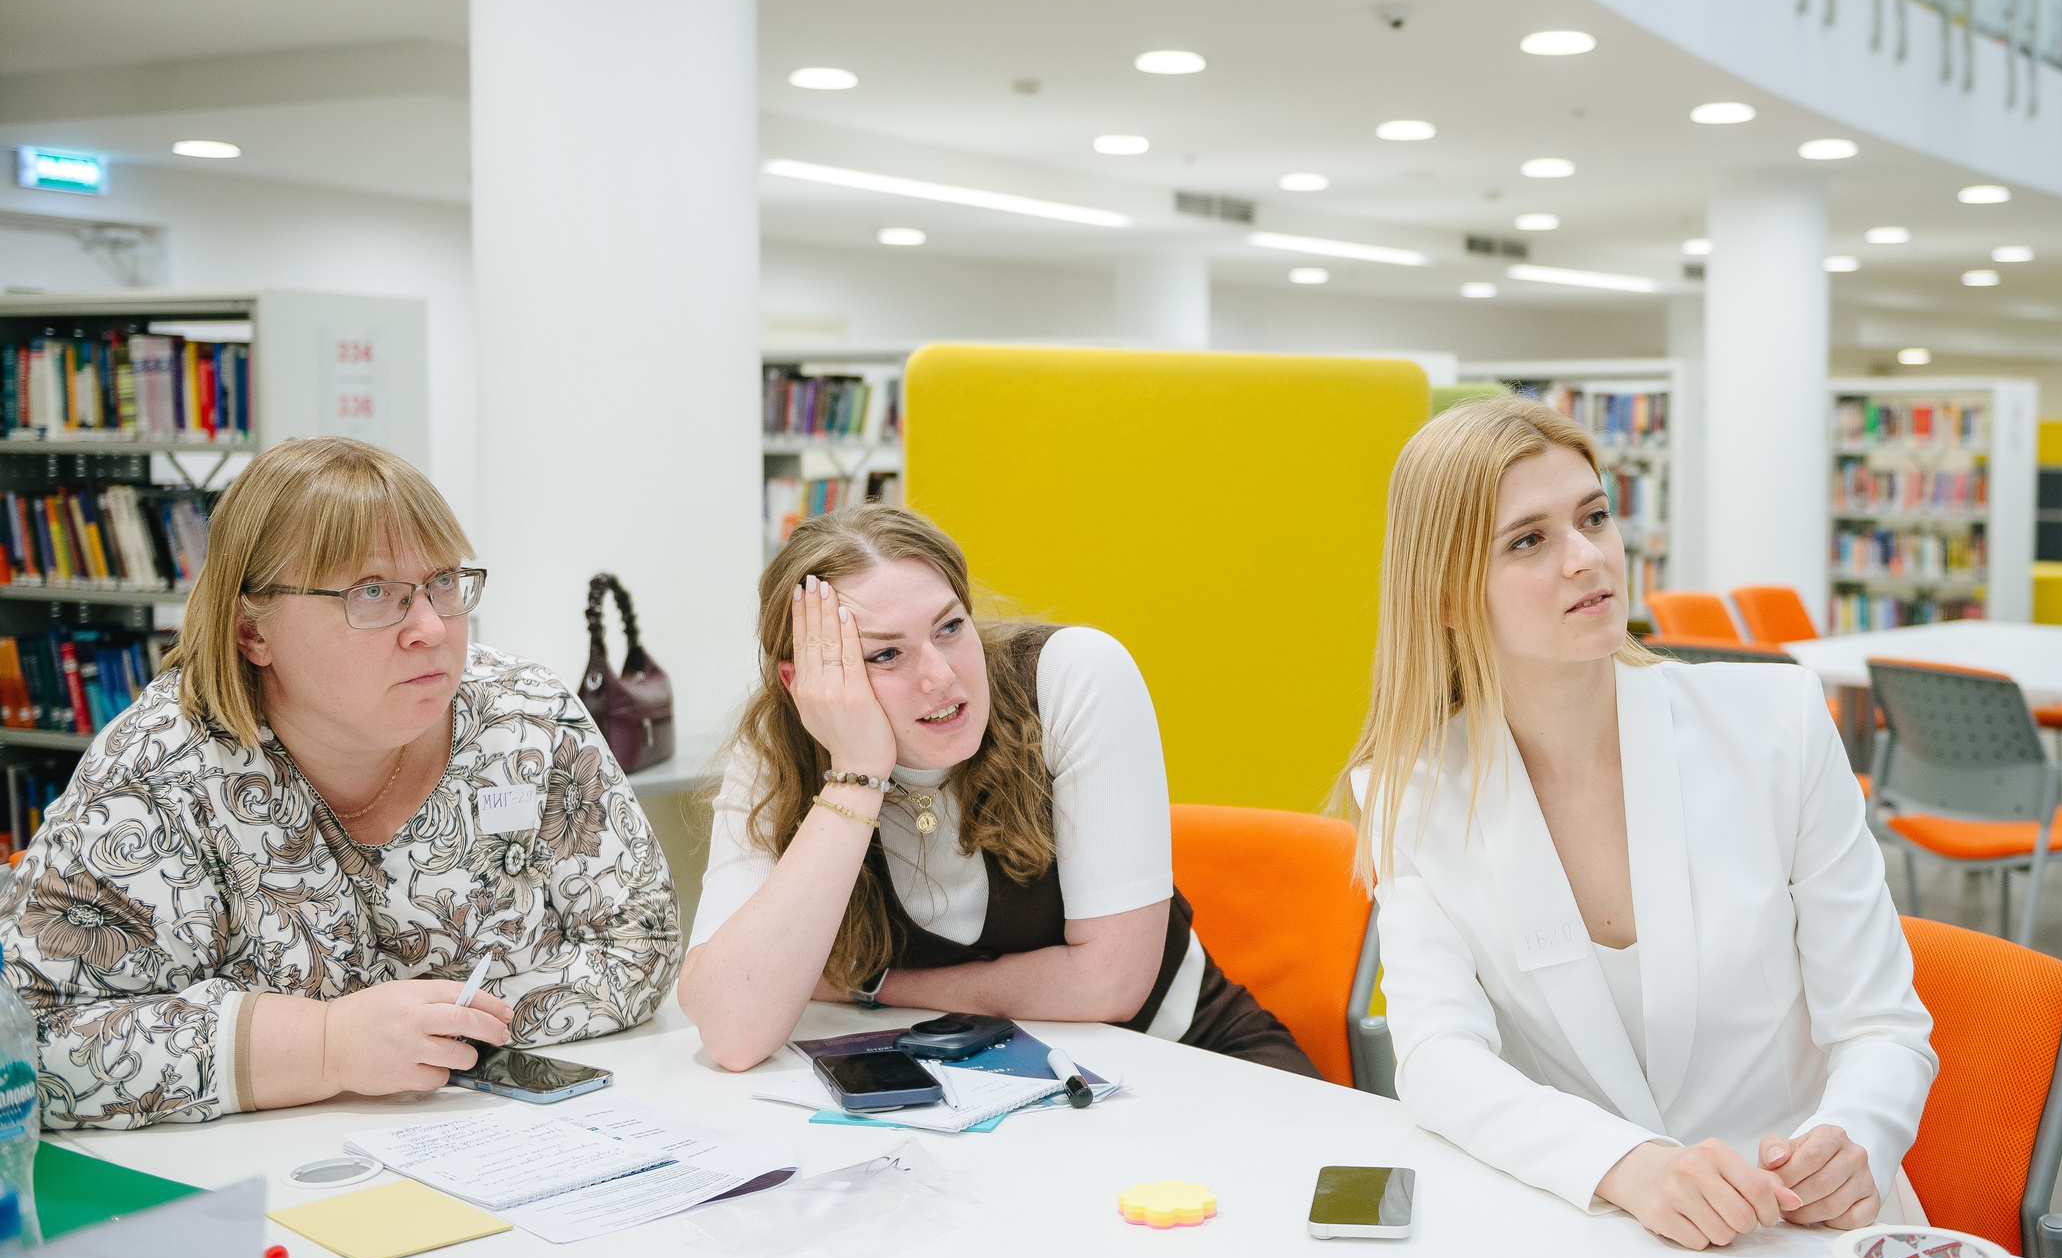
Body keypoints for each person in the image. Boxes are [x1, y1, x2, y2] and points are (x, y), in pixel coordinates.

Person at [1337, 398, 1937, 1250]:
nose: (1588, 556)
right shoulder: (1415, 795)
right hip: (1606, 1233)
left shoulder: (1778, 724)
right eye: (1528, 540)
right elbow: (1438, 1059)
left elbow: (1882, 1023)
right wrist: (1627, 1164)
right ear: (1445, 596)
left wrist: (1857, 1137)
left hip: (1811, 1232)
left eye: (1594, 517)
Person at [0, 437, 678, 1130]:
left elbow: (641, 944)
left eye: (443, 581)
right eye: (372, 592)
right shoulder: (156, 777)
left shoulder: (526, 716)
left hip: (507, 1143)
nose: (430, 627)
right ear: (252, 631)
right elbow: (27, 1037)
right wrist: (328, 1046)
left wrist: (430, 1035)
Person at [678, 505, 1317, 1077]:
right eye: (885, 656)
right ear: (805, 684)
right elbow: (733, 1033)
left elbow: (1111, 985)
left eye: (950, 628)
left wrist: (870, 985)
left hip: (1190, 1067)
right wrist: (857, 774)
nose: (940, 677)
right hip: (988, 1103)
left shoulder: (1072, 678)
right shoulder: (779, 749)